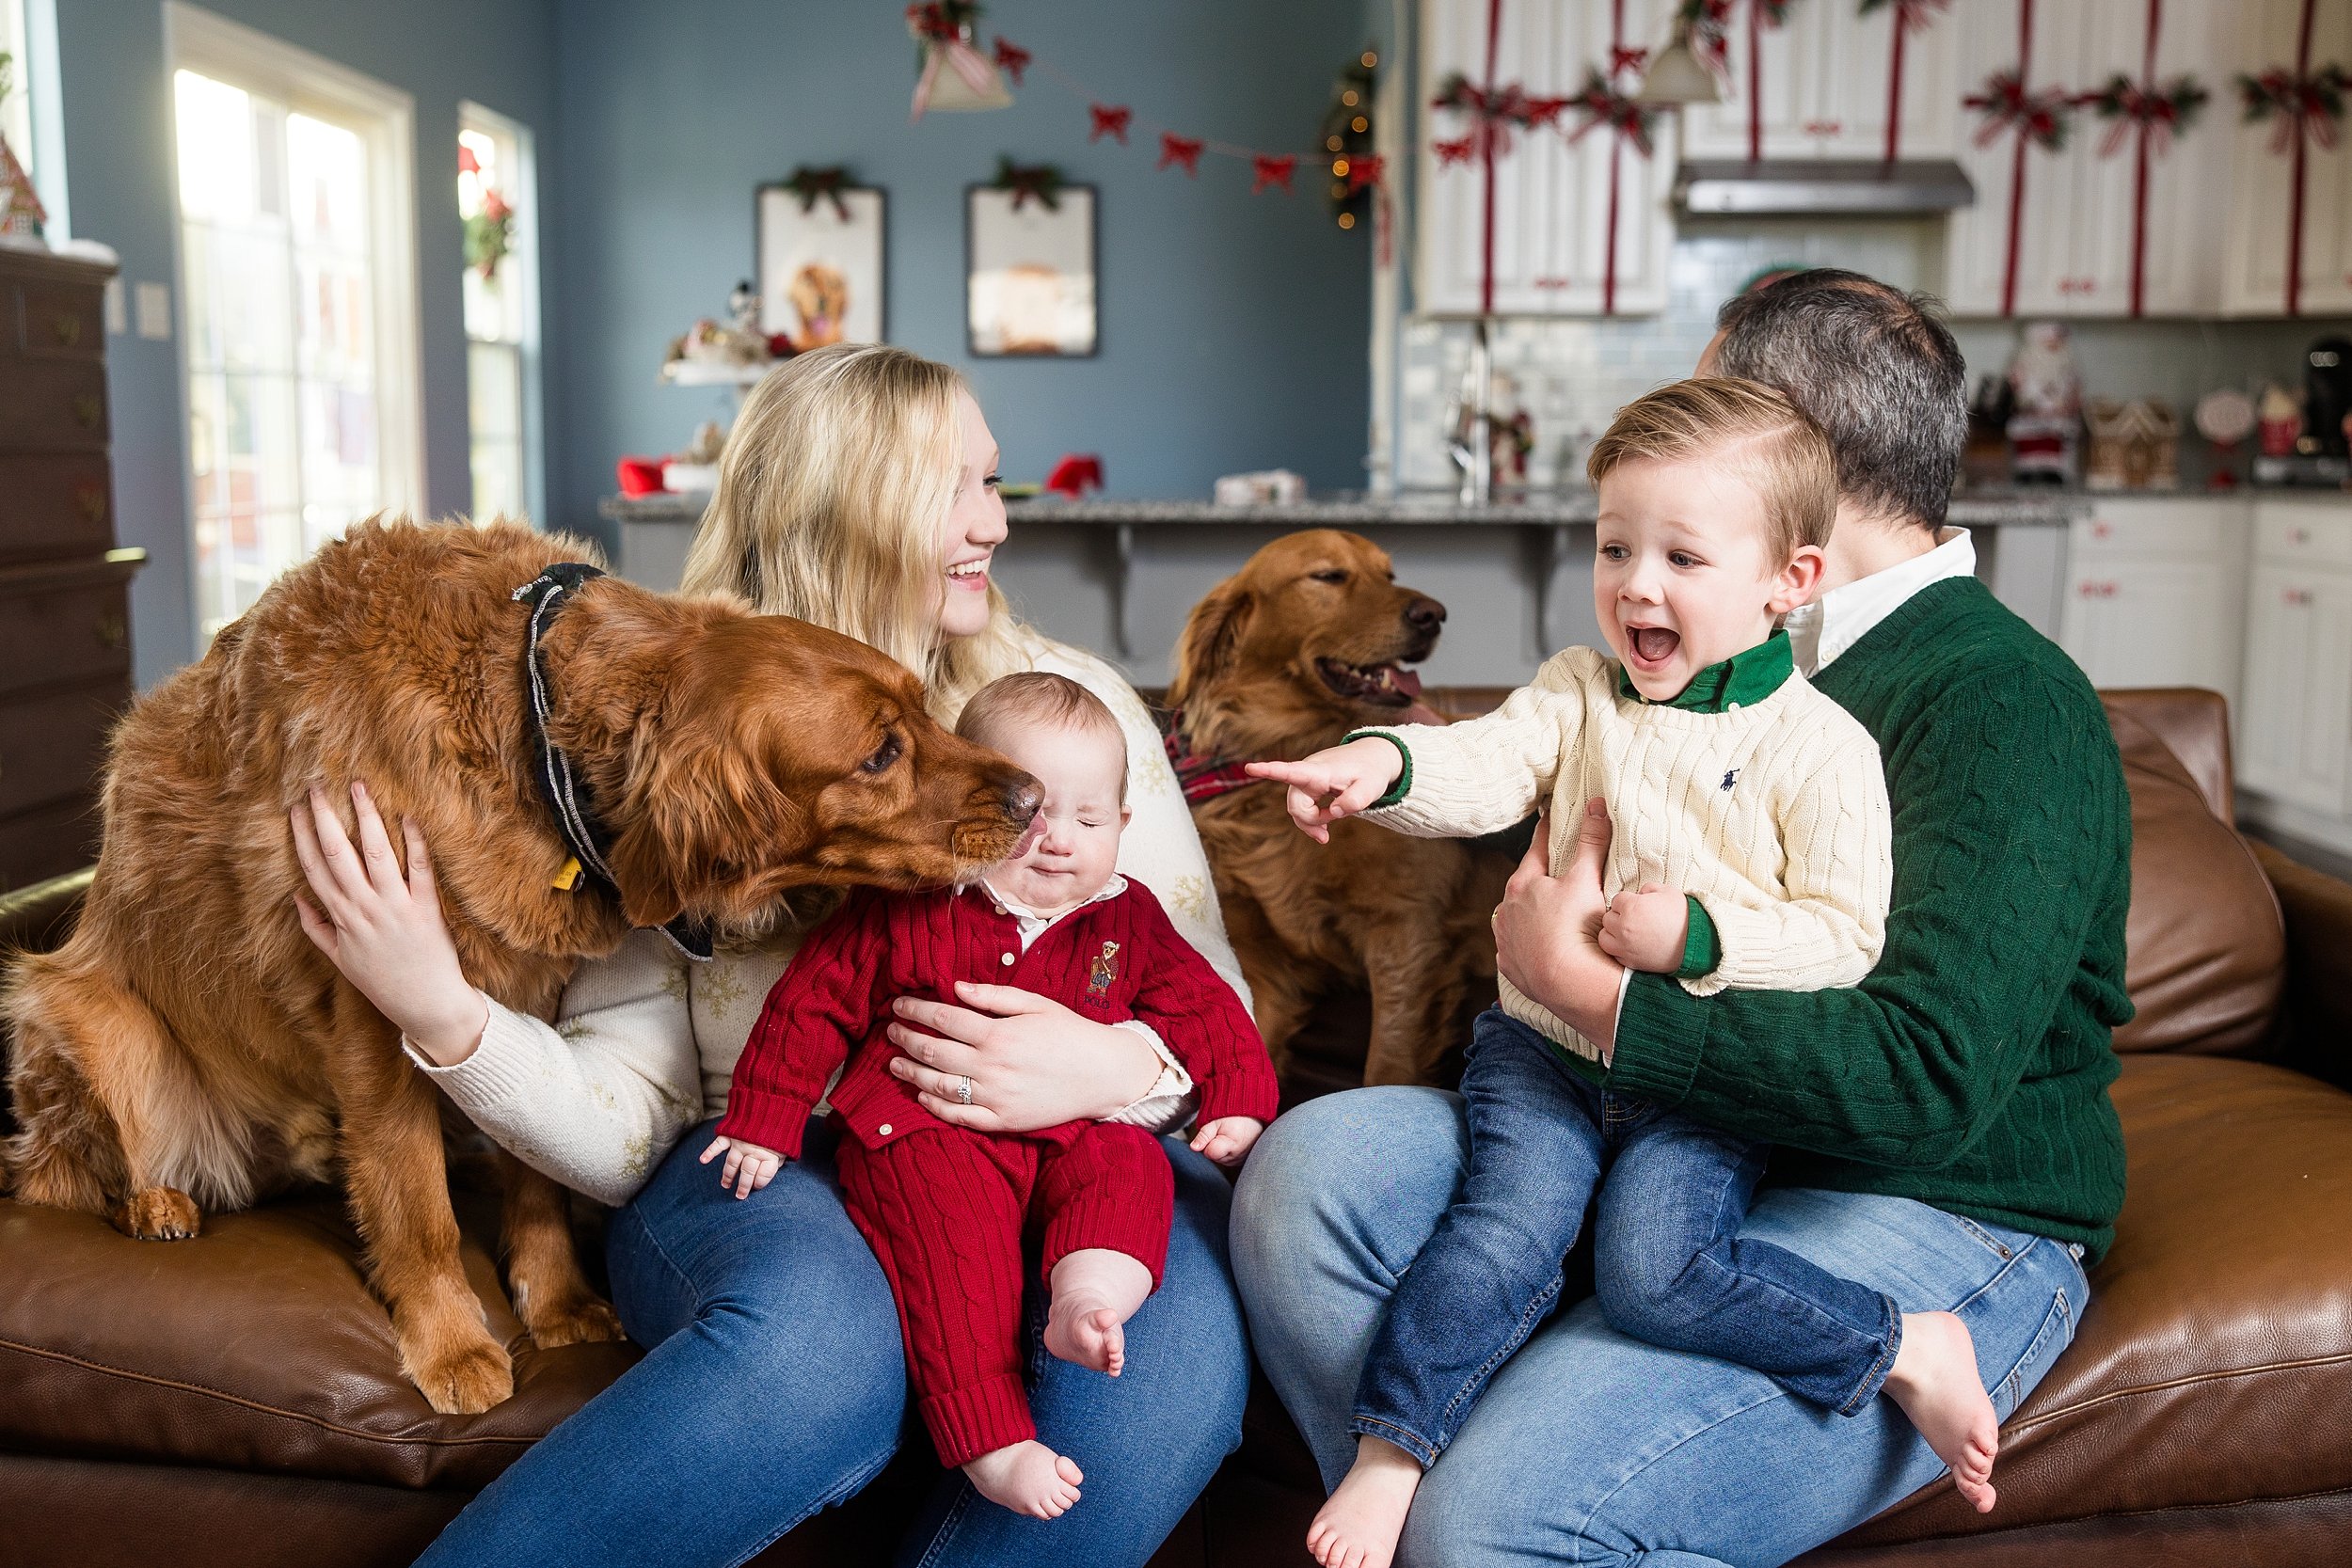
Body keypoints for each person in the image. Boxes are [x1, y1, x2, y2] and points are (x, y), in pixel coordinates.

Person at [290, 342, 1258, 1568]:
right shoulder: (682, 729)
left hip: (1095, 1157)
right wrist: (438, 1008)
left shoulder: (1072, 709)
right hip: (774, 1156)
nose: (997, 523)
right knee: (813, 1352)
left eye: (994, 480)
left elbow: (1212, 1004)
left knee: (1148, 1390)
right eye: (956, 486)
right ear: (845, 505)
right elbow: (630, 1114)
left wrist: (1115, 1064)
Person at [1232, 270, 2131, 1567]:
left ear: (1781, 446)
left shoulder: (2005, 700)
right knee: (1308, 1179)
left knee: (1503, 1512)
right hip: (1670, 1121)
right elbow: (1543, 760)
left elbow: (1922, 1075)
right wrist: (1405, 769)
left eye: (1702, 401)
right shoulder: (1716, 647)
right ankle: (1408, 1491)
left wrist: (1600, 994)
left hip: (1928, 1199)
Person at [705, 673, 1277, 1520]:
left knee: (1132, 1166)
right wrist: (765, 1119)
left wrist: (1239, 1097)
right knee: (955, 1240)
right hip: (926, 1128)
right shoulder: (913, 900)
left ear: (1123, 825)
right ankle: (988, 1435)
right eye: (1034, 813)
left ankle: (1090, 1296)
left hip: (1073, 1130)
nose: (1058, 842)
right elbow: (811, 1001)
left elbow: (1205, 1007)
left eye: (1089, 821)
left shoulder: (1128, 918)